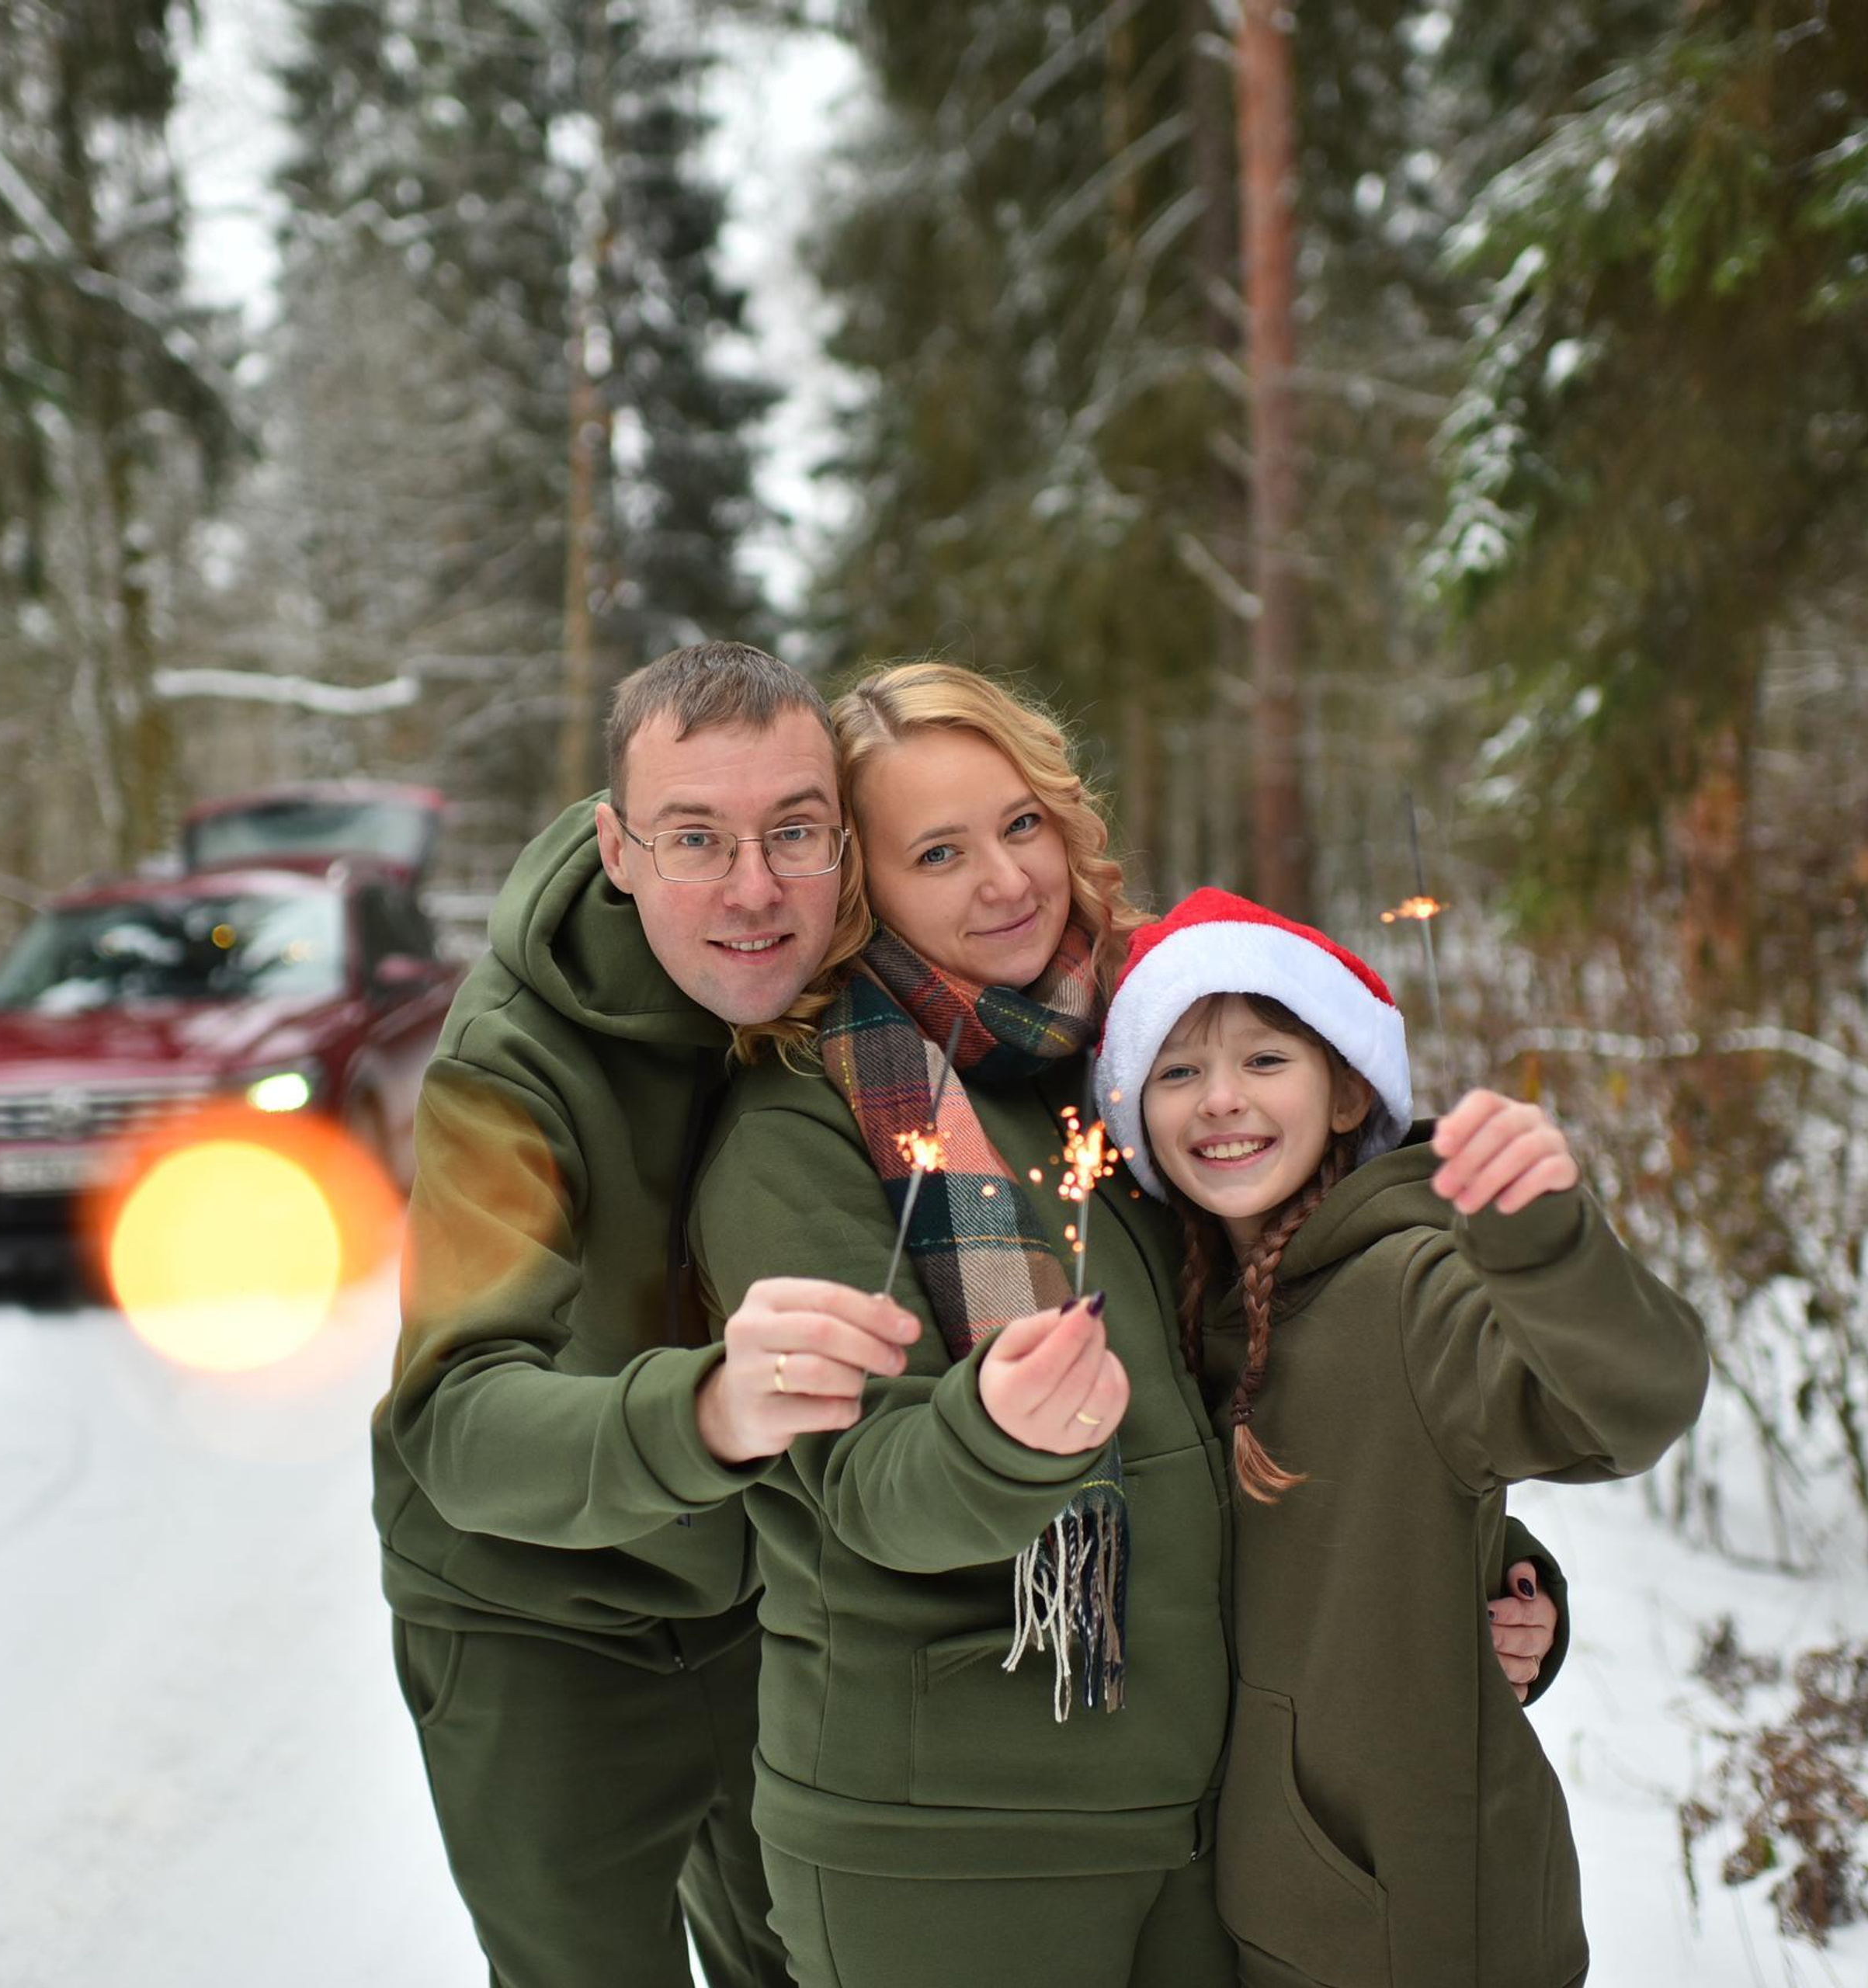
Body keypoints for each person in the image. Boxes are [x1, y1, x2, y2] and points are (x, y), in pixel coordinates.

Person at [688, 663, 1564, 1988]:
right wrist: (992, 1435)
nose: (1006, 881)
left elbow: (1267, 1387)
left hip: (1197, 1824)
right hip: (950, 1850)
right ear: (863, 888)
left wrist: (1487, 1575)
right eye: (940, 852)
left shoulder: (1140, 1072)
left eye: (1022, 823)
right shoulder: (805, 1130)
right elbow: (859, 1490)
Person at [372, 642, 920, 1988]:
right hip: (535, 1627)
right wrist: (712, 1409)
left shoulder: (871, 995)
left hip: (767, 1606)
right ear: (618, 850)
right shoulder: (508, 1069)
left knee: (800, 1964)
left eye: (795, 831)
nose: (754, 888)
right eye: (697, 838)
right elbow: (457, 1420)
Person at [1091, 886, 1710, 1987]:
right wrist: (1517, 1583)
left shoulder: (1405, 1286)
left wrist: (1544, 1244)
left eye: (1266, 1059)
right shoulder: (1183, 1305)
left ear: (1344, 1093)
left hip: (1414, 1923)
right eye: (1178, 1071)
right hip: (1278, 1910)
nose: (1220, 1100)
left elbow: (1632, 1407)